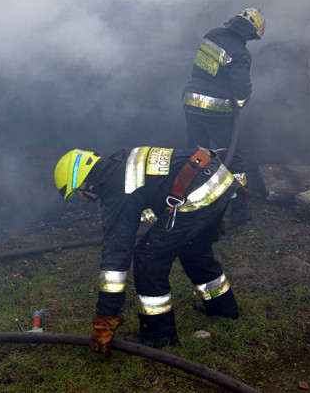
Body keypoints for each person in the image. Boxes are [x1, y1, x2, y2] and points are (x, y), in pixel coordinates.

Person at [53, 146, 241, 355]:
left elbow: (116, 259)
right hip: (219, 178)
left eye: (79, 192)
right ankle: (223, 307)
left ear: (85, 181)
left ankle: (159, 336)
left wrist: (105, 317)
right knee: (194, 249)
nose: (83, 198)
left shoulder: (118, 193)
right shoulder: (123, 161)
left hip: (200, 191)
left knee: (149, 258)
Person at [181, 7, 266, 228]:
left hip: (191, 102)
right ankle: (239, 211)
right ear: (249, 33)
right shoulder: (240, 53)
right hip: (215, 110)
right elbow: (241, 89)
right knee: (233, 158)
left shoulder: (212, 34)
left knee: (195, 153)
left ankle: (188, 197)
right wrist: (240, 102)